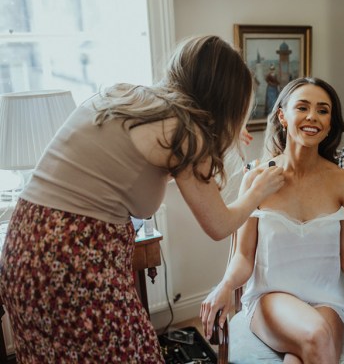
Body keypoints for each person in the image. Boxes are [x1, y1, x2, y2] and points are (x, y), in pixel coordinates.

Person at [0, 35, 285, 363]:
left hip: (22, 249)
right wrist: (257, 192)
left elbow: (132, 173)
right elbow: (219, 224)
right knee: (133, 352)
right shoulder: (185, 132)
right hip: (71, 261)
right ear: (227, 101)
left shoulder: (125, 97)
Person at [200, 77, 344, 363]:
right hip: (271, 297)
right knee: (316, 336)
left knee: (300, 355)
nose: (313, 116)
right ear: (283, 116)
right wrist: (224, 286)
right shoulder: (257, 179)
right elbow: (244, 256)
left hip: (328, 302)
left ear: (330, 124)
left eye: (323, 110)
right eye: (303, 107)